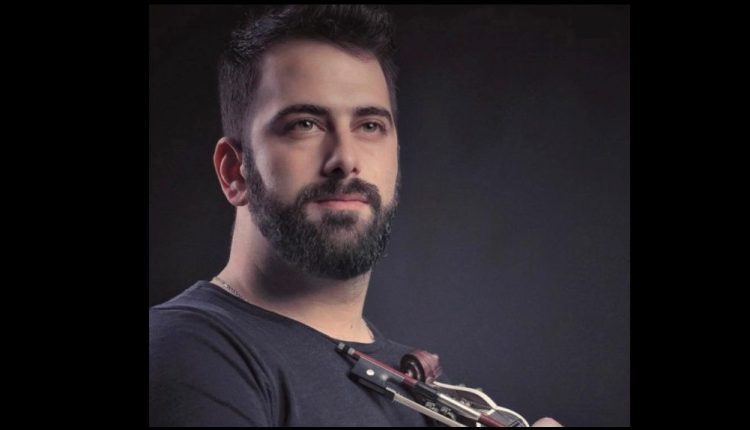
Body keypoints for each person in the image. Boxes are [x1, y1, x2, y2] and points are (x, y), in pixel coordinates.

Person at [149, 5, 562, 427]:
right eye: (305, 124)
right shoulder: (185, 351)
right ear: (234, 171)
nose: (345, 159)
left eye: (369, 126)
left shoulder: (419, 387)